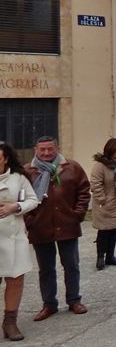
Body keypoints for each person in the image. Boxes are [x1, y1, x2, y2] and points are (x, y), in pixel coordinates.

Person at [24, 136, 90, 321]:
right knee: (46, 269)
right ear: (35, 149)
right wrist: (30, 220)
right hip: (40, 227)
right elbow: (20, 197)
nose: (46, 153)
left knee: (71, 265)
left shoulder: (72, 167)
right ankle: (49, 304)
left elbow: (84, 191)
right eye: (42, 149)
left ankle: (74, 300)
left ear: (57, 148)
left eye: (50, 149)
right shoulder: (27, 171)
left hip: (67, 224)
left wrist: (77, 214)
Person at [0, 143, 39, 341]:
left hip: (14, 238)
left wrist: (15, 207)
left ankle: (10, 322)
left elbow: (33, 200)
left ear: (5, 158)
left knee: (15, 280)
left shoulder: (19, 177)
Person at [89, 138, 116, 270]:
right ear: (110, 150)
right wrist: (102, 199)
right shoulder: (101, 165)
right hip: (106, 203)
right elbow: (95, 183)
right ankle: (101, 257)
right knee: (104, 231)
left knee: (114, 230)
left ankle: (110, 256)